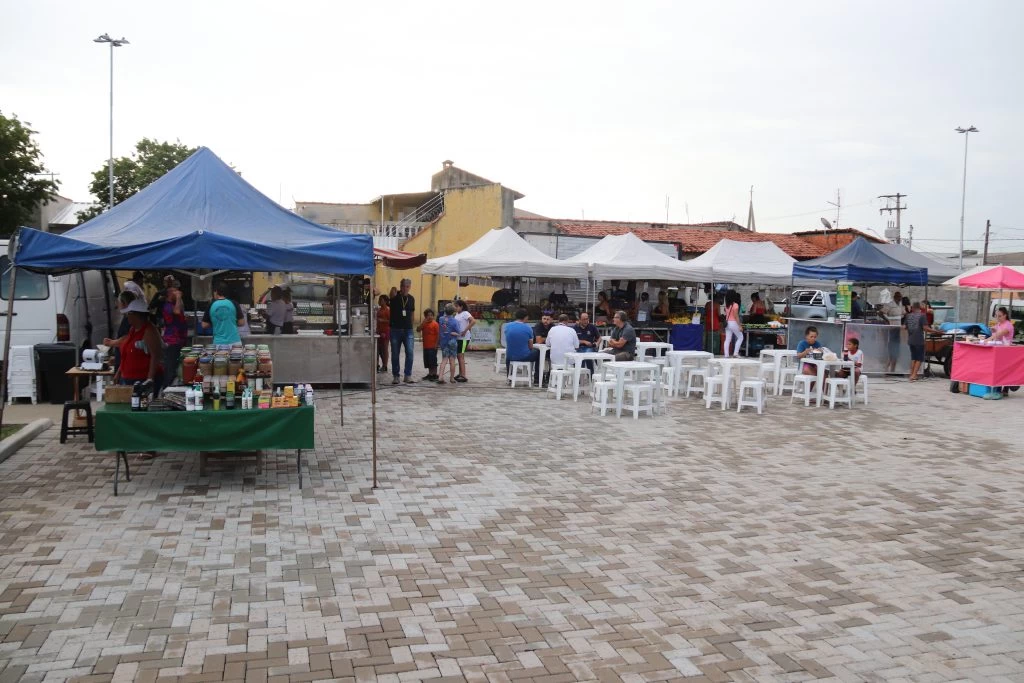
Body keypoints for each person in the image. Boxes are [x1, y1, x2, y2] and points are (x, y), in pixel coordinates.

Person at [103, 292, 163, 395]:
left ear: (136, 315)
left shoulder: (149, 331)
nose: (127, 317)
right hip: (128, 378)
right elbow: (126, 354)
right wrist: (119, 372)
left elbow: (155, 356)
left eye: (128, 314)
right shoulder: (133, 330)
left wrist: (149, 379)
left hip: (141, 379)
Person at [160, 279, 188, 390]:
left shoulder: (174, 304)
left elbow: (179, 311)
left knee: (177, 366)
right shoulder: (167, 306)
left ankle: (173, 387)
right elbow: (176, 311)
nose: (177, 293)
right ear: (169, 294)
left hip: (179, 339)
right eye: (174, 292)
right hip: (172, 340)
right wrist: (179, 297)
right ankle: (166, 388)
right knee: (170, 367)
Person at [904, 301, 940, 382]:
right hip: (919, 339)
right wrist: (936, 331)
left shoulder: (908, 316)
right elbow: (925, 328)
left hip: (910, 339)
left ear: (912, 308)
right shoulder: (922, 316)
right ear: (919, 307)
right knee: (919, 358)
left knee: (913, 358)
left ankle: (911, 374)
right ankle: (914, 375)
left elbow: (905, 327)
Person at [389, 278, 415, 384]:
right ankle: (396, 376)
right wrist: (394, 289)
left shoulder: (411, 298)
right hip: (395, 329)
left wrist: (411, 325)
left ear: (410, 287)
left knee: (410, 352)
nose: (405, 288)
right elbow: (391, 294)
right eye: (403, 286)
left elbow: (412, 312)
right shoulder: (395, 296)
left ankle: (407, 375)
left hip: (408, 330)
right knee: (395, 353)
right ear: (400, 287)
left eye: (407, 286)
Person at [504, 308, 539, 383]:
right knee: (538, 353)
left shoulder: (507, 326)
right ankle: (537, 378)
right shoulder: (528, 328)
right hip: (523, 356)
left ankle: (509, 377)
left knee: (510, 353)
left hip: (510, 356)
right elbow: (530, 346)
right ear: (526, 317)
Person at [437, 304, 460, 383]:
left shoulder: (441, 319)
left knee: (444, 360)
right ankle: (452, 378)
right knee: (452, 360)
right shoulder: (455, 321)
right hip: (452, 341)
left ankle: (440, 377)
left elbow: (442, 329)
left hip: (444, 342)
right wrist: (453, 333)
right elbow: (458, 332)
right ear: (453, 312)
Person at [454, 300, 475, 383]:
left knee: (461, 356)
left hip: (464, 338)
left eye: (457, 306)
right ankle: (460, 373)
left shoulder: (465, 313)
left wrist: (465, 330)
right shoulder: (457, 314)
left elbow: (473, 321)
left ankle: (463, 375)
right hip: (458, 338)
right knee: (458, 356)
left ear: (461, 306)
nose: (455, 308)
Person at [418, 308, 440, 382]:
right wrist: (423, 323)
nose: (430, 317)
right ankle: (430, 374)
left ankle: (434, 374)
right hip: (426, 346)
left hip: (433, 346)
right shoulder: (424, 323)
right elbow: (418, 329)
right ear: (425, 316)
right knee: (428, 361)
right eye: (428, 315)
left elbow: (438, 335)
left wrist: (436, 344)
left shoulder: (435, 324)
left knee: (433, 361)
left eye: (431, 315)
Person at [724, 291, 743, 358]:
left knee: (727, 339)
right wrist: (740, 326)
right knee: (740, 337)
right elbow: (736, 316)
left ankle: (726, 355)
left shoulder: (727, 305)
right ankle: (735, 353)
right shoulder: (735, 305)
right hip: (733, 323)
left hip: (727, 323)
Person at [376, 294, 390, 373]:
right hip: (379, 331)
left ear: (385, 301)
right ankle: (377, 364)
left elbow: (391, 321)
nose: (379, 301)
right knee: (378, 349)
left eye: (381, 300)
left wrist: (383, 320)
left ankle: (385, 365)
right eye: (379, 300)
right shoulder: (379, 310)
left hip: (385, 331)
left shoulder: (388, 310)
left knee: (384, 349)